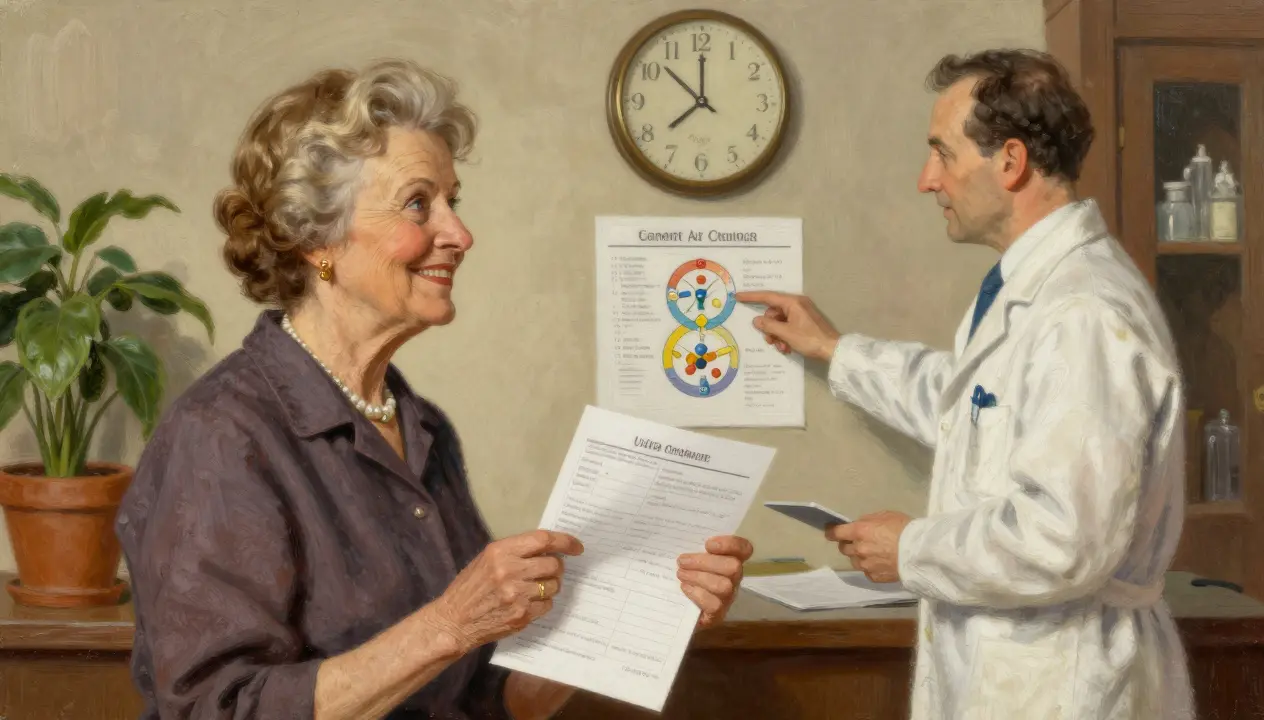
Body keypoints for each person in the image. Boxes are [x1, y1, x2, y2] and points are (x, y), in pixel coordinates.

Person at [115, 58, 754, 720]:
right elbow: (215, 711)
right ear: (316, 240)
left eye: (453, 201)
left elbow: (485, 699)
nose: (458, 234)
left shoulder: (421, 428)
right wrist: (450, 624)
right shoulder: (221, 437)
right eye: (420, 203)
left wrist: (640, 609)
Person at [738, 49, 1192, 719]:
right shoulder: (1038, 292)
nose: (927, 180)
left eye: (942, 155)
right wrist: (834, 351)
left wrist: (911, 547)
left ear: (1009, 162)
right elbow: (972, 406)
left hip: (1065, 683)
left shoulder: (1084, 313)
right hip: (1018, 670)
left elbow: (1069, 539)